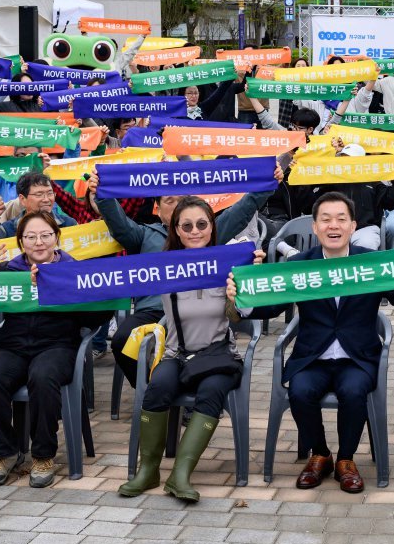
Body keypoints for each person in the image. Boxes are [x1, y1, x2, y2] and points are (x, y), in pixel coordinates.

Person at [234, 192, 394, 494]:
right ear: (315, 227)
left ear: (353, 226)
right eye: (325, 220)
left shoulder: (370, 263)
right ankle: (321, 454)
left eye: (341, 219)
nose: (333, 226)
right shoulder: (300, 265)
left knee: (353, 391)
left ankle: (346, 460)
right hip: (313, 356)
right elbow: (272, 306)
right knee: (300, 391)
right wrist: (243, 297)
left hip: (357, 356)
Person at [119, 197, 265, 501]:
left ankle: (180, 475)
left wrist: (246, 287)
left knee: (211, 391)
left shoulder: (228, 263)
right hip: (177, 354)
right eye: (187, 226)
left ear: (212, 227)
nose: (195, 231)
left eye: (202, 224)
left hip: (218, 355)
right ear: (176, 230)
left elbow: (238, 316)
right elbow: (105, 277)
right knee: (157, 388)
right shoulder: (164, 266)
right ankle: (148, 471)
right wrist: (49, 276)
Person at [89, 163, 280, 388]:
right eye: (170, 201)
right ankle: (151, 388)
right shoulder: (144, 235)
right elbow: (118, 224)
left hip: (198, 315)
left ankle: (182, 389)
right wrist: (101, 191)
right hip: (153, 311)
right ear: (157, 208)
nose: (177, 206)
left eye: (182, 200)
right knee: (121, 340)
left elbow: (240, 212)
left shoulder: (204, 233)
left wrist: (268, 180)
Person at [0, 212, 113, 488]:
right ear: (21, 241)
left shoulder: (73, 271)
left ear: (57, 237)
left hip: (58, 347)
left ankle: (43, 455)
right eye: (31, 237)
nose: (38, 242)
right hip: (14, 347)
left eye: (45, 235)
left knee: (42, 377)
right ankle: (4, 453)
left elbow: (97, 316)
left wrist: (68, 291)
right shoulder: (7, 271)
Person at [0, 172, 77, 240]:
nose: (46, 199)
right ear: (22, 199)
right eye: (39, 195)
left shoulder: (69, 224)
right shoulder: (8, 230)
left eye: (50, 193)